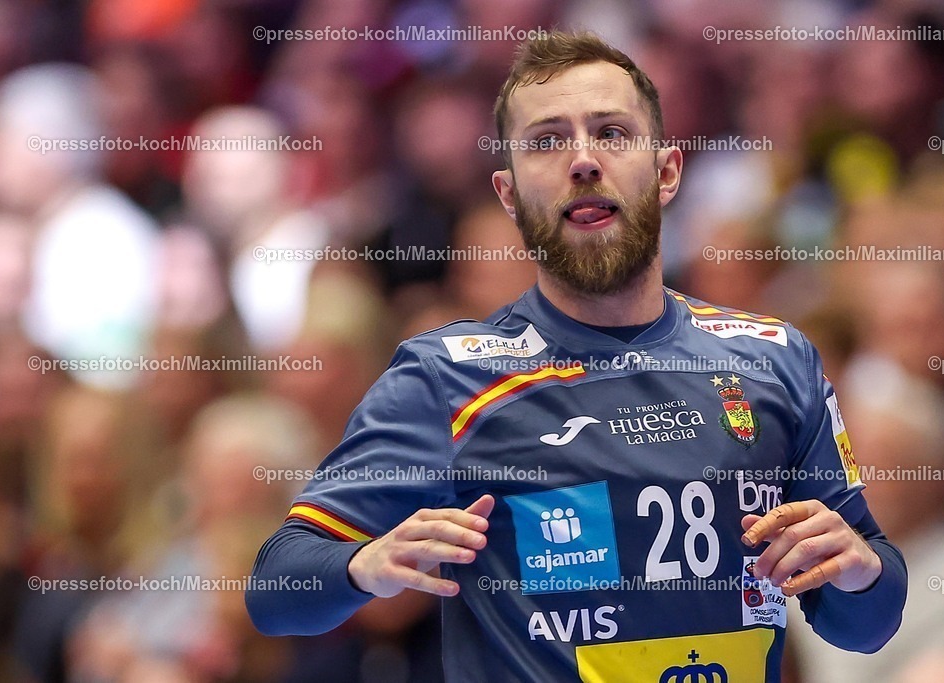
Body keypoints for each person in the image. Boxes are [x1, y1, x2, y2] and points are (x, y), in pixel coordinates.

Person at [246, 31, 907, 682]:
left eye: (612, 133)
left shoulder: (775, 360)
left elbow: (865, 623)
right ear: (508, 194)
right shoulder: (446, 375)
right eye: (547, 140)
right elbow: (276, 590)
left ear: (667, 170)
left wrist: (862, 568)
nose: (583, 160)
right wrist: (366, 562)